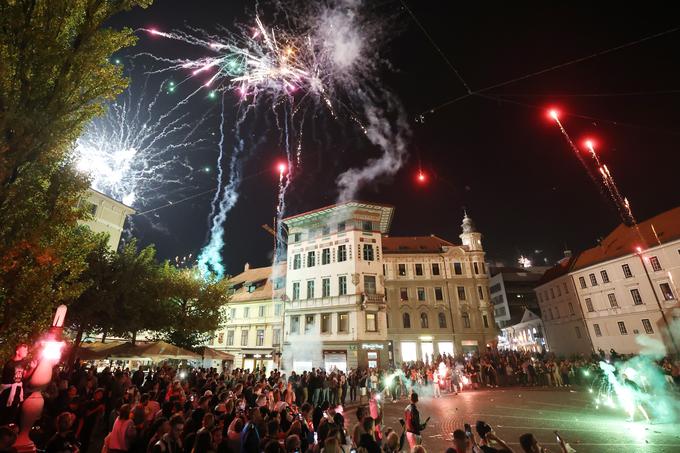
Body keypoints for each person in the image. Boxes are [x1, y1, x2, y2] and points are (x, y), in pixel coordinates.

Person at [1, 344, 36, 426]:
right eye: (24, 350)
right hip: (7, 393)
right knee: (4, 414)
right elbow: (8, 382)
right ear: (17, 352)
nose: (26, 352)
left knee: (12, 416)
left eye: (26, 350)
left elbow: (24, 376)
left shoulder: (23, 363)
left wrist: (32, 368)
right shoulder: (10, 364)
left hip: (17, 393)